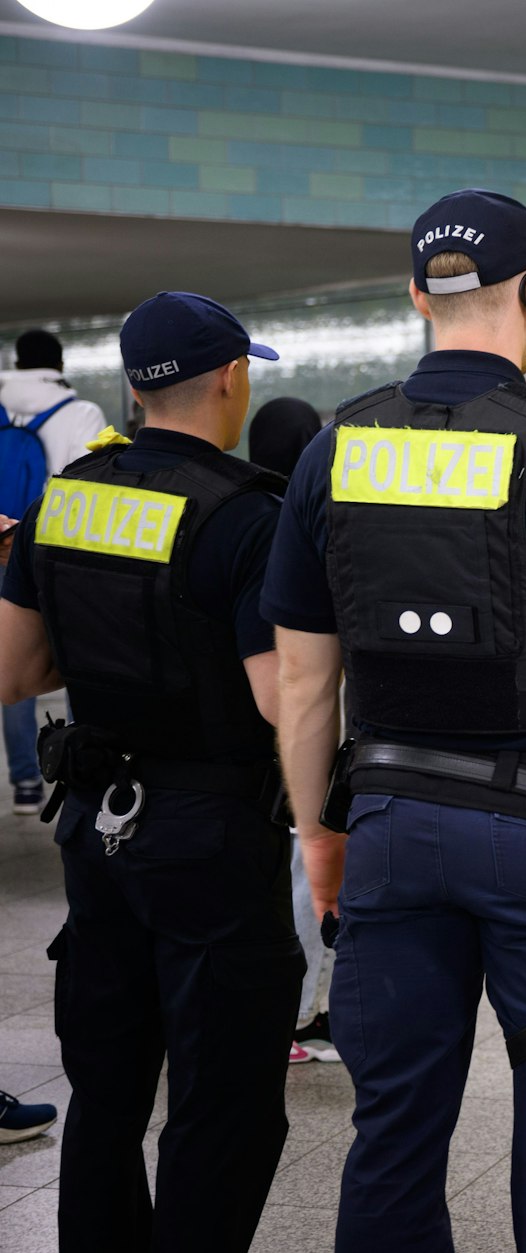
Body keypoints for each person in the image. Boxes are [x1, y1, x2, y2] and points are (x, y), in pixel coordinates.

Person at [264, 188, 526, 1252]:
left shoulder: (334, 449)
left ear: (417, 295)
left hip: (394, 831)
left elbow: (306, 680)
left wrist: (320, 829)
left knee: (393, 1130)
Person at [0, 293, 302, 1251]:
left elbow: (15, 670)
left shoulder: (67, 495)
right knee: (223, 1104)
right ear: (231, 377)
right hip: (211, 837)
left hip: (96, 824)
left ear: (134, 388)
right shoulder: (249, 515)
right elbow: (277, 701)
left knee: (108, 1088)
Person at [245, 395, 343, 1066]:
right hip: (293, 739)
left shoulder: (238, 512)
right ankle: (298, 1015)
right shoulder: (300, 526)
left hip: (236, 750)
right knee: (306, 878)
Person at [0, 329, 111, 815]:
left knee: (7, 660)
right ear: (60, 362)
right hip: (44, 551)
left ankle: (25, 778)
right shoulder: (81, 413)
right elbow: (89, 491)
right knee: (51, 658)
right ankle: (51, 772)